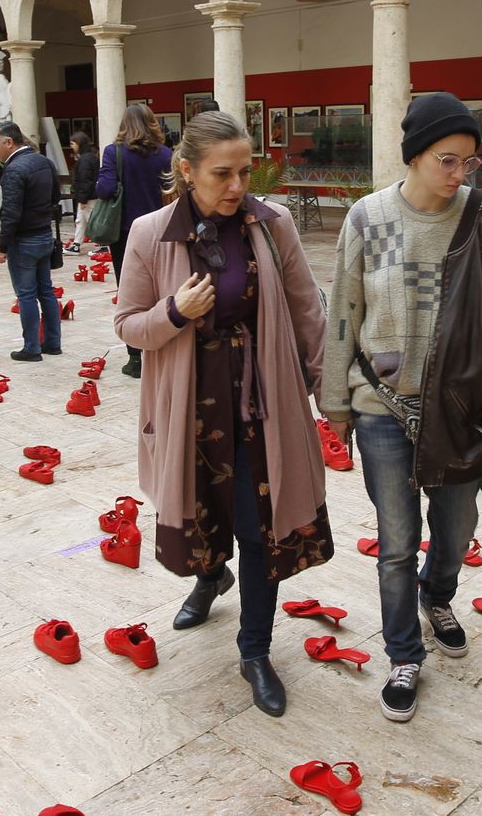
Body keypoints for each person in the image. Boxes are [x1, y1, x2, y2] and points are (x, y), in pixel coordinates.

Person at [321, 92, 482, 724]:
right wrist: (335, 399)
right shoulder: (367, 217)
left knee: (455, 529)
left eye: (469, 162)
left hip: (461, 407)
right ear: (415, 156)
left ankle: (438, 594)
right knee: (397, 541)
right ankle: (403, 654)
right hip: (382, 406)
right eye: (447, 160)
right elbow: (343, 314)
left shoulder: (480, 215)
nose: (459, 174)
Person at [115, 111, 332, 718]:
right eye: (222, 174)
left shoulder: (273, 224)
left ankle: (254, 650)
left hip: (264, 405)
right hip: (190, 409)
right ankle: (211, 578)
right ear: (187, 171)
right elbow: (128, 325)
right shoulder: (150, 234)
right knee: (203, 510)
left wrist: (327, 393)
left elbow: (307, 312)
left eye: (245, 171)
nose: (237, 186)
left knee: (261, 525)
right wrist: (174, 311)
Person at [95, 102, 174, 377]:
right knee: (161, 286)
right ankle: (161, 345)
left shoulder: (113, 152)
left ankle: (135, 358)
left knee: (129, 290)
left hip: (125, 231)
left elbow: (105, 189)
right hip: (160, 229)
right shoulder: (165, 154)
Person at [0, 121, 61, 361]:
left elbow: (10, 213)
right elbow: (55, 197)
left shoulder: (14, 170)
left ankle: (32, 348)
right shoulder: (44, 162)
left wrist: (2, 247)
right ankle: (53, 342)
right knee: (46, 291)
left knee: (27, 294)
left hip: (25, 240)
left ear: (9, 142)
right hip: (44, 235)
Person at [66, 131, 98, 253]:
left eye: (73, 144)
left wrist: (83, 199)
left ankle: (103, 245)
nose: (72, 146)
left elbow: (85, 180)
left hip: (88, 197)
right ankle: (76, 244)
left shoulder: (85, 160)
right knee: (81, 221)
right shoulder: (89, 157)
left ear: (79, 144)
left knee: (92, 221)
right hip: (88, 196)